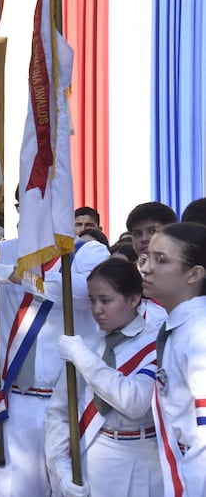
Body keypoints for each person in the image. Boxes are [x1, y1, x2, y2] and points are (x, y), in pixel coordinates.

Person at [0, 230, 109, 497]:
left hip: (72, 401)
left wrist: (13, 275)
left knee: (73, 489)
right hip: (16, 399)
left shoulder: (88, 252)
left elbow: (84, 291)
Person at [45, 258, 162, 497]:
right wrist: (62, 467)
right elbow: (59, 413)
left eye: (106, 300)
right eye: (92, 300)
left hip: (141, 459)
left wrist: (84, 359)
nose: (97, 309)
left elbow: (135, 402)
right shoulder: (88, 345)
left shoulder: (158, 343)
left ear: (133, 298)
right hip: (91, 456)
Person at [139, 223, 206, 496]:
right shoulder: (177, 325)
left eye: (161, 260)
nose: (145, 268)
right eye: (146, 257)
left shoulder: (198, 333)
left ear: (194, 274)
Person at [125, 202, 177, 326]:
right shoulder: (125, 279)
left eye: (152, 231)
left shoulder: (189, 274)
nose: (144, 239)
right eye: (137, 234)